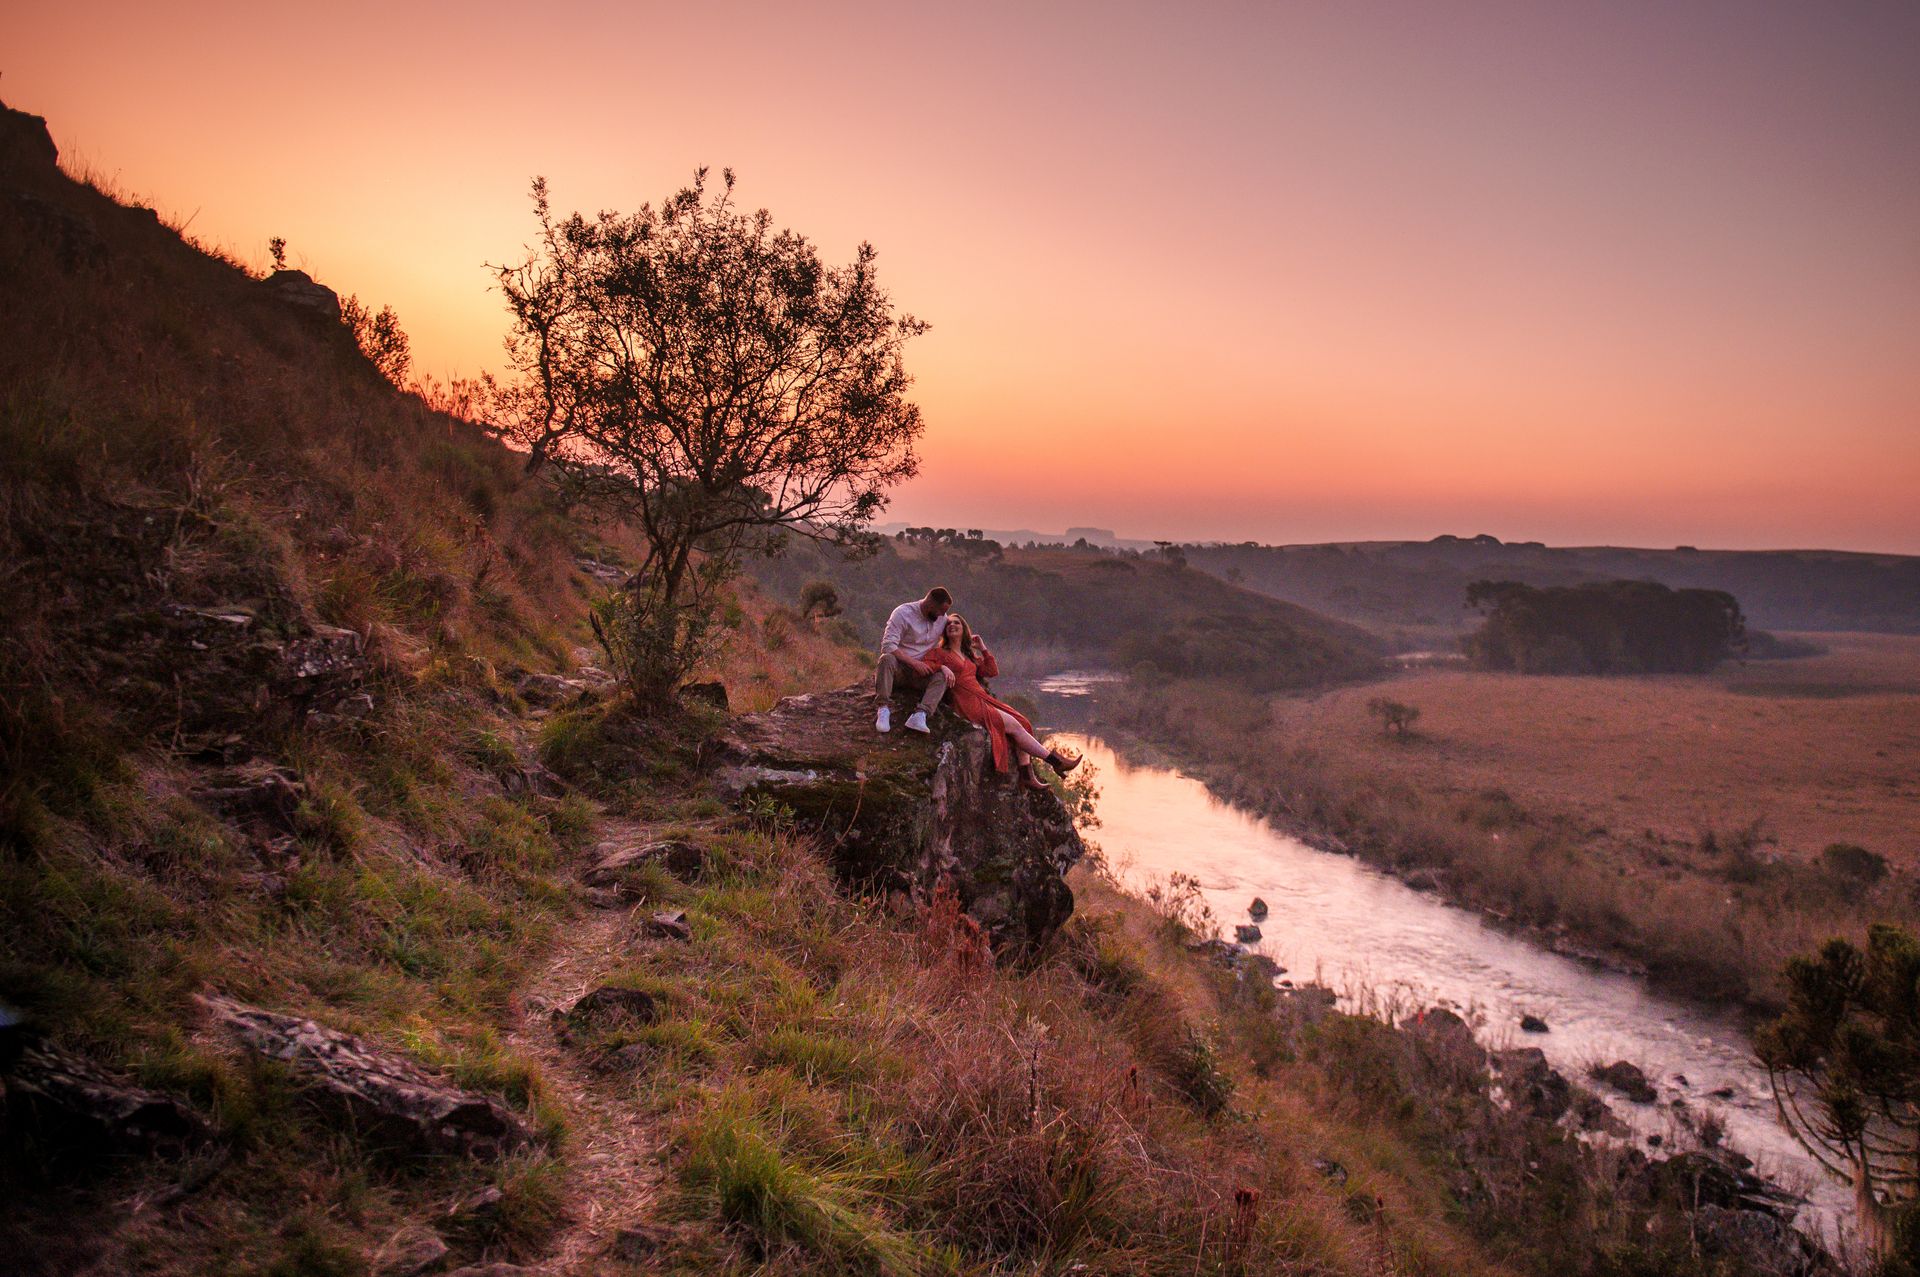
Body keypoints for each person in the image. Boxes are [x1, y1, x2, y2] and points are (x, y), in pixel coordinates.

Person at [920, 613, 1081, 790]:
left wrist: (983, 649)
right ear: (944, 629)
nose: (952, 625)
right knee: (1014, 726)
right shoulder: (940, 653)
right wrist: (942, 668)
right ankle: (1055, 761)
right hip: (966, 701)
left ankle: (1027, 776)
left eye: (957, 623)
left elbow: (991, 671)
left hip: (982, 698)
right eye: (948, 623)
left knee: (1023, 722)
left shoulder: (968, 655)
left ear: (964, 628)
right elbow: (924, 665)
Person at [875, 586, 955, 734]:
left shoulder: (941, 619)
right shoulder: (903, 613)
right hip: (899, 669)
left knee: (943, 676)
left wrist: (943, 666)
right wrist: (914, 663)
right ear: (930, 604)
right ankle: (883, 708)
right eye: (941, 611)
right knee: (886, 659)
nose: (943, 616)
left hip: (921, 674)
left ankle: (920, 715)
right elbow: (887, 645)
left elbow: (953, 639)